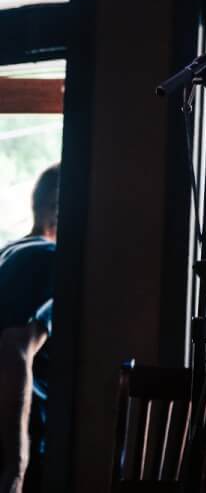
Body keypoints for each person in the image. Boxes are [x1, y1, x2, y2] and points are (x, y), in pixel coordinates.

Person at [0, 166, 57, 493]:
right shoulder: (47, 259)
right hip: (15, 437)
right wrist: (17, 464)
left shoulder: (9, 252)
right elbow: (15, 347)